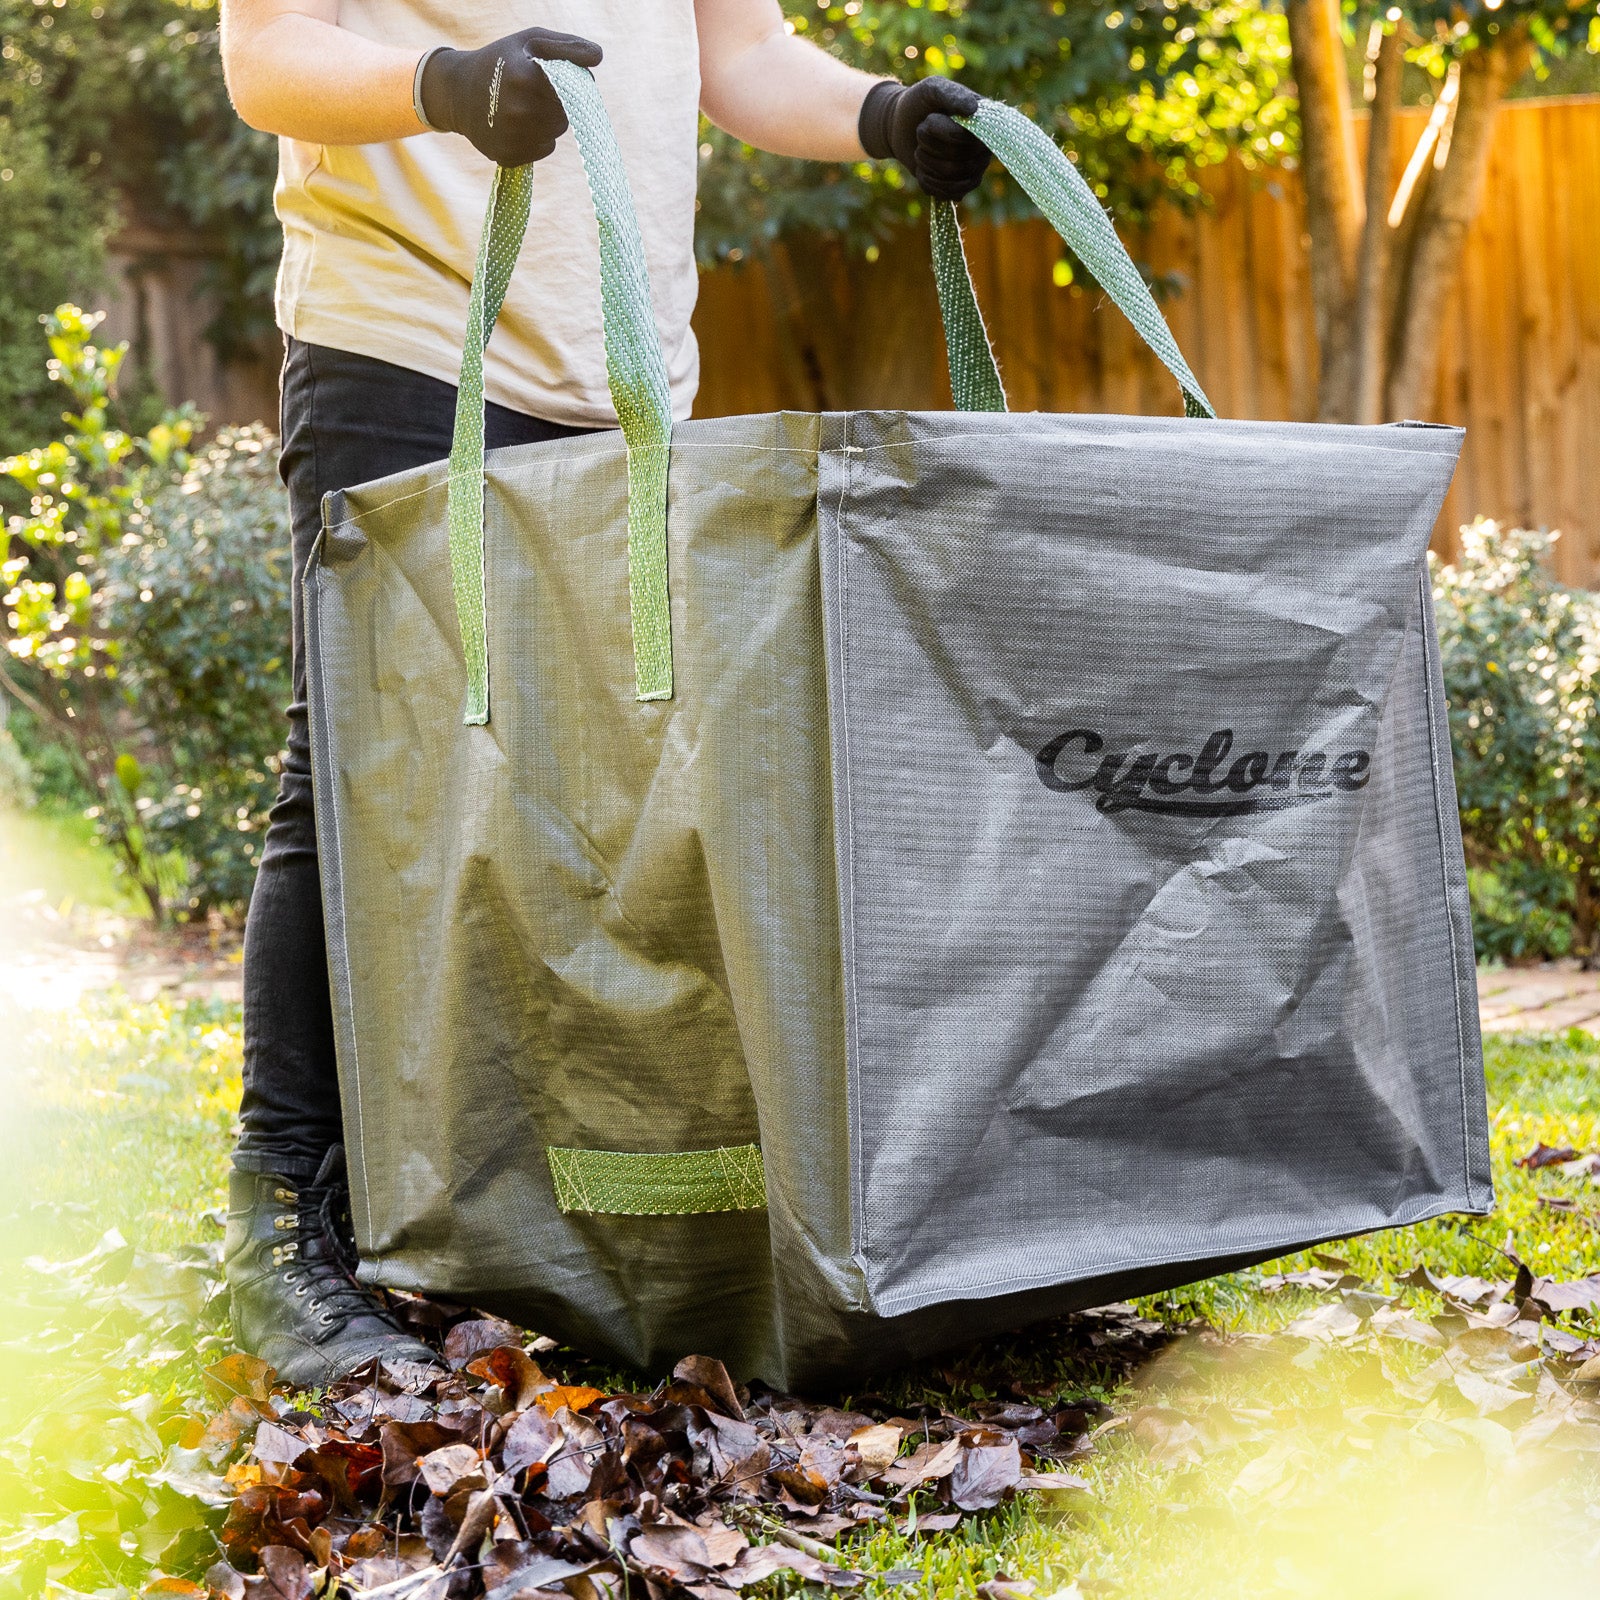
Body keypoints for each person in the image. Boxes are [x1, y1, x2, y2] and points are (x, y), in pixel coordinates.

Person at [217, 0, 992, 1386]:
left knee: (581, 806)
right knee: (352, 779)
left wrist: (882, 114)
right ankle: (280, 1225)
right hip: (406, 341)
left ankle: (505, 1223)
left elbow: (737, 55)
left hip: (620, 379)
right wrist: (442, 84)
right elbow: (265, 55)